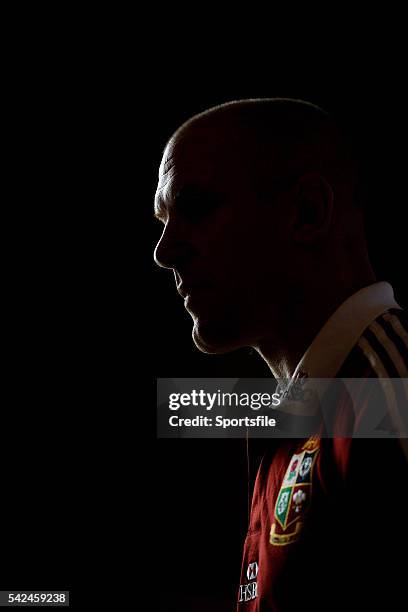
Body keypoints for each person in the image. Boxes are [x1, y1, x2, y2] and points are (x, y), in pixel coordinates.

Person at [153, 99, 408, 611]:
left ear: (308, 212)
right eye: (163, 219)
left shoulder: (390, 394)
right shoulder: (291, 414)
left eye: (197, 207)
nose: (164, 251)